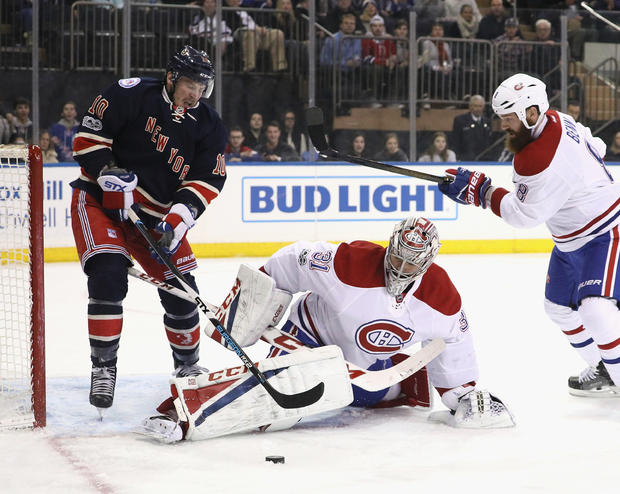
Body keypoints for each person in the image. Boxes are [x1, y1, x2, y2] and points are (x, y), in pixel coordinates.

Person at [140, 217, 515, 441]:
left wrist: (462, 396)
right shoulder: (350, 263)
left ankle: (399, 386)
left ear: (428, 262)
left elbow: (456, 341)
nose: (399, 266)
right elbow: (293, 259)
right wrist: (252, 301)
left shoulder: (441, 296)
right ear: (390, 246)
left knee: (364, 395)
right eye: (396, 254)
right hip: (308, 337)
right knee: (279, 404)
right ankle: (178, 411)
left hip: (365, 366)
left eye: (410, 262)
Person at [438, 73, 620, 397]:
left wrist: (480, 191)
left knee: (596, 309)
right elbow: (597, 144)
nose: (503, 126)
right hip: (570, 239)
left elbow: (523, 216)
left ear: (530, 113)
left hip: (606, 231)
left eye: (509, 119)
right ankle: (604, 369)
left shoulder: (538, 157)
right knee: (559, 309)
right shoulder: (557, 119)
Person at [70, 46, 227, 413]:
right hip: (101, 202)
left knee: (184, 291)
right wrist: (108, 170)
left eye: (203, 87)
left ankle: (188, 369)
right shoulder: (129, 94)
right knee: (108, 276)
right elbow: (87, 140)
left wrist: (178, 219)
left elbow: (209, 179)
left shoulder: (208, 124)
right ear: (172, 78)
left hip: (155, 218)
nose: (196, 94)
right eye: (190, 84)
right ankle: (104, 369)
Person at [223, 0, 288, 73]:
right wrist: (256, 29)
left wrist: (261, 28)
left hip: (256, 33)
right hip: (240, 33)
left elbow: (256, 22)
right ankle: (249, 68)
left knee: (278, 34)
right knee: (250, 33)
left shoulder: (245, 8)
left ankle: (280, 68)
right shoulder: (225, 10)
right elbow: (234, 25)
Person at [451, 95, 493, 161]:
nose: (478, 109)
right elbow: (455, 141)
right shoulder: (460, 120)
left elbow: (489, 142)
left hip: (484, 160)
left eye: (480, 106)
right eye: (475, 106)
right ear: (470, 106)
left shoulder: (487, 121)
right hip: (465, 160)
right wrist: (458, 158)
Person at [494, 18, 530, 83]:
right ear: (505, 28)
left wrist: (528, 47)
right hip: (501, 69)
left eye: (514, 27)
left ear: (517, 29)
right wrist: (510, 44)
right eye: (509, 27)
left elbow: (528, 51)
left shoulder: (519, 41)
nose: (511, 30)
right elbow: (499, 56)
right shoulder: (499, 40)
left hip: (516, 70)